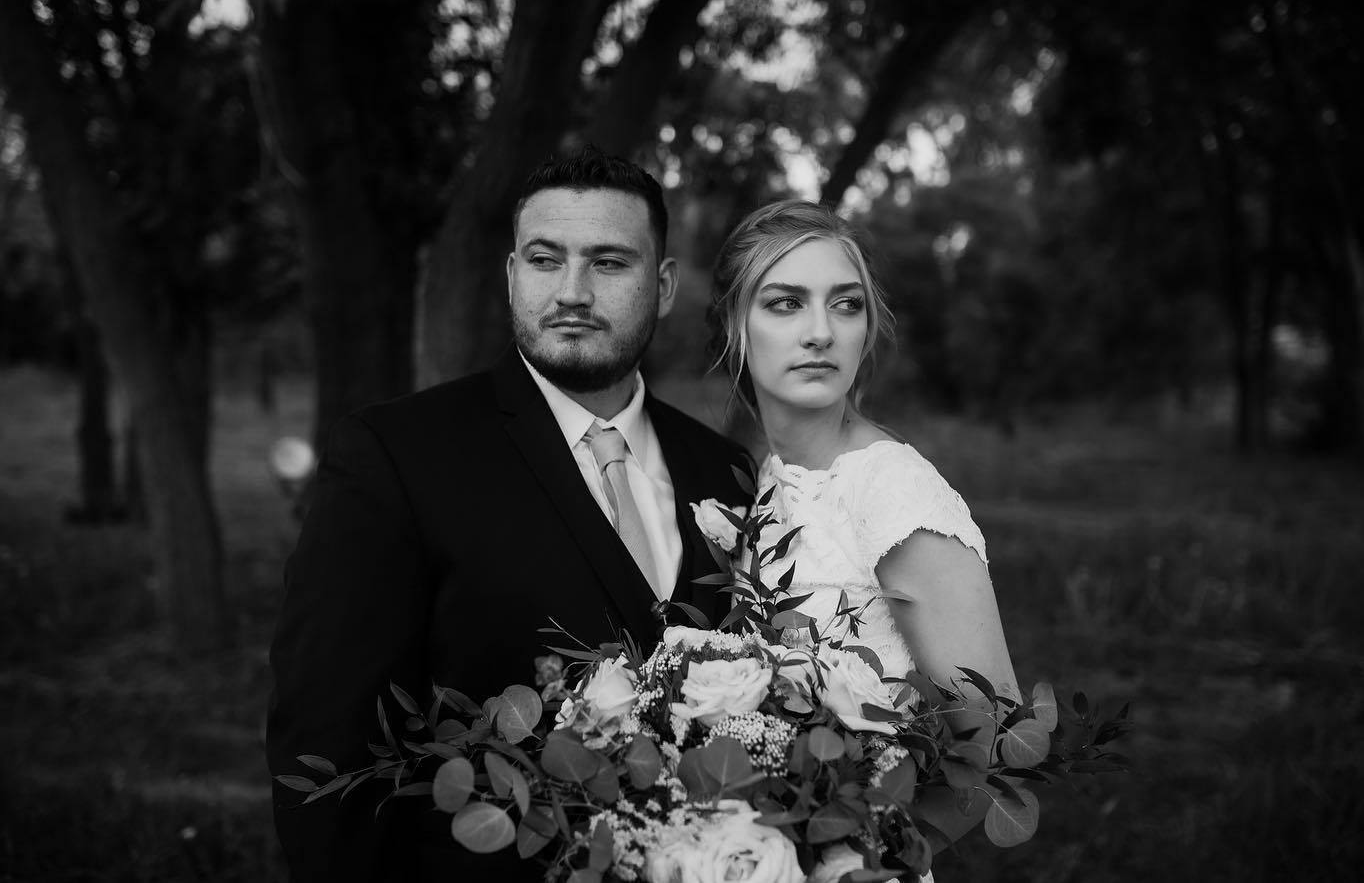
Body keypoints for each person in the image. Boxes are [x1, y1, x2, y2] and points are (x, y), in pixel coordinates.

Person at [266, 147, 748, 882]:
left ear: (663, 286)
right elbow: (326, 733)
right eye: (545, 260)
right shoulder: (396, 454)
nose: (573, 291)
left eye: (609, 263)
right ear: (512, 273)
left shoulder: (725, 471)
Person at [708, 199, 1020, 876]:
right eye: (786, 304)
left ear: (867, 329)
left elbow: (1001, 745)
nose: (821, 332)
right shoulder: (768, 477)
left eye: (846, 306)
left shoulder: (893, 493)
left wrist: (867, 859)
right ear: (736, 324)